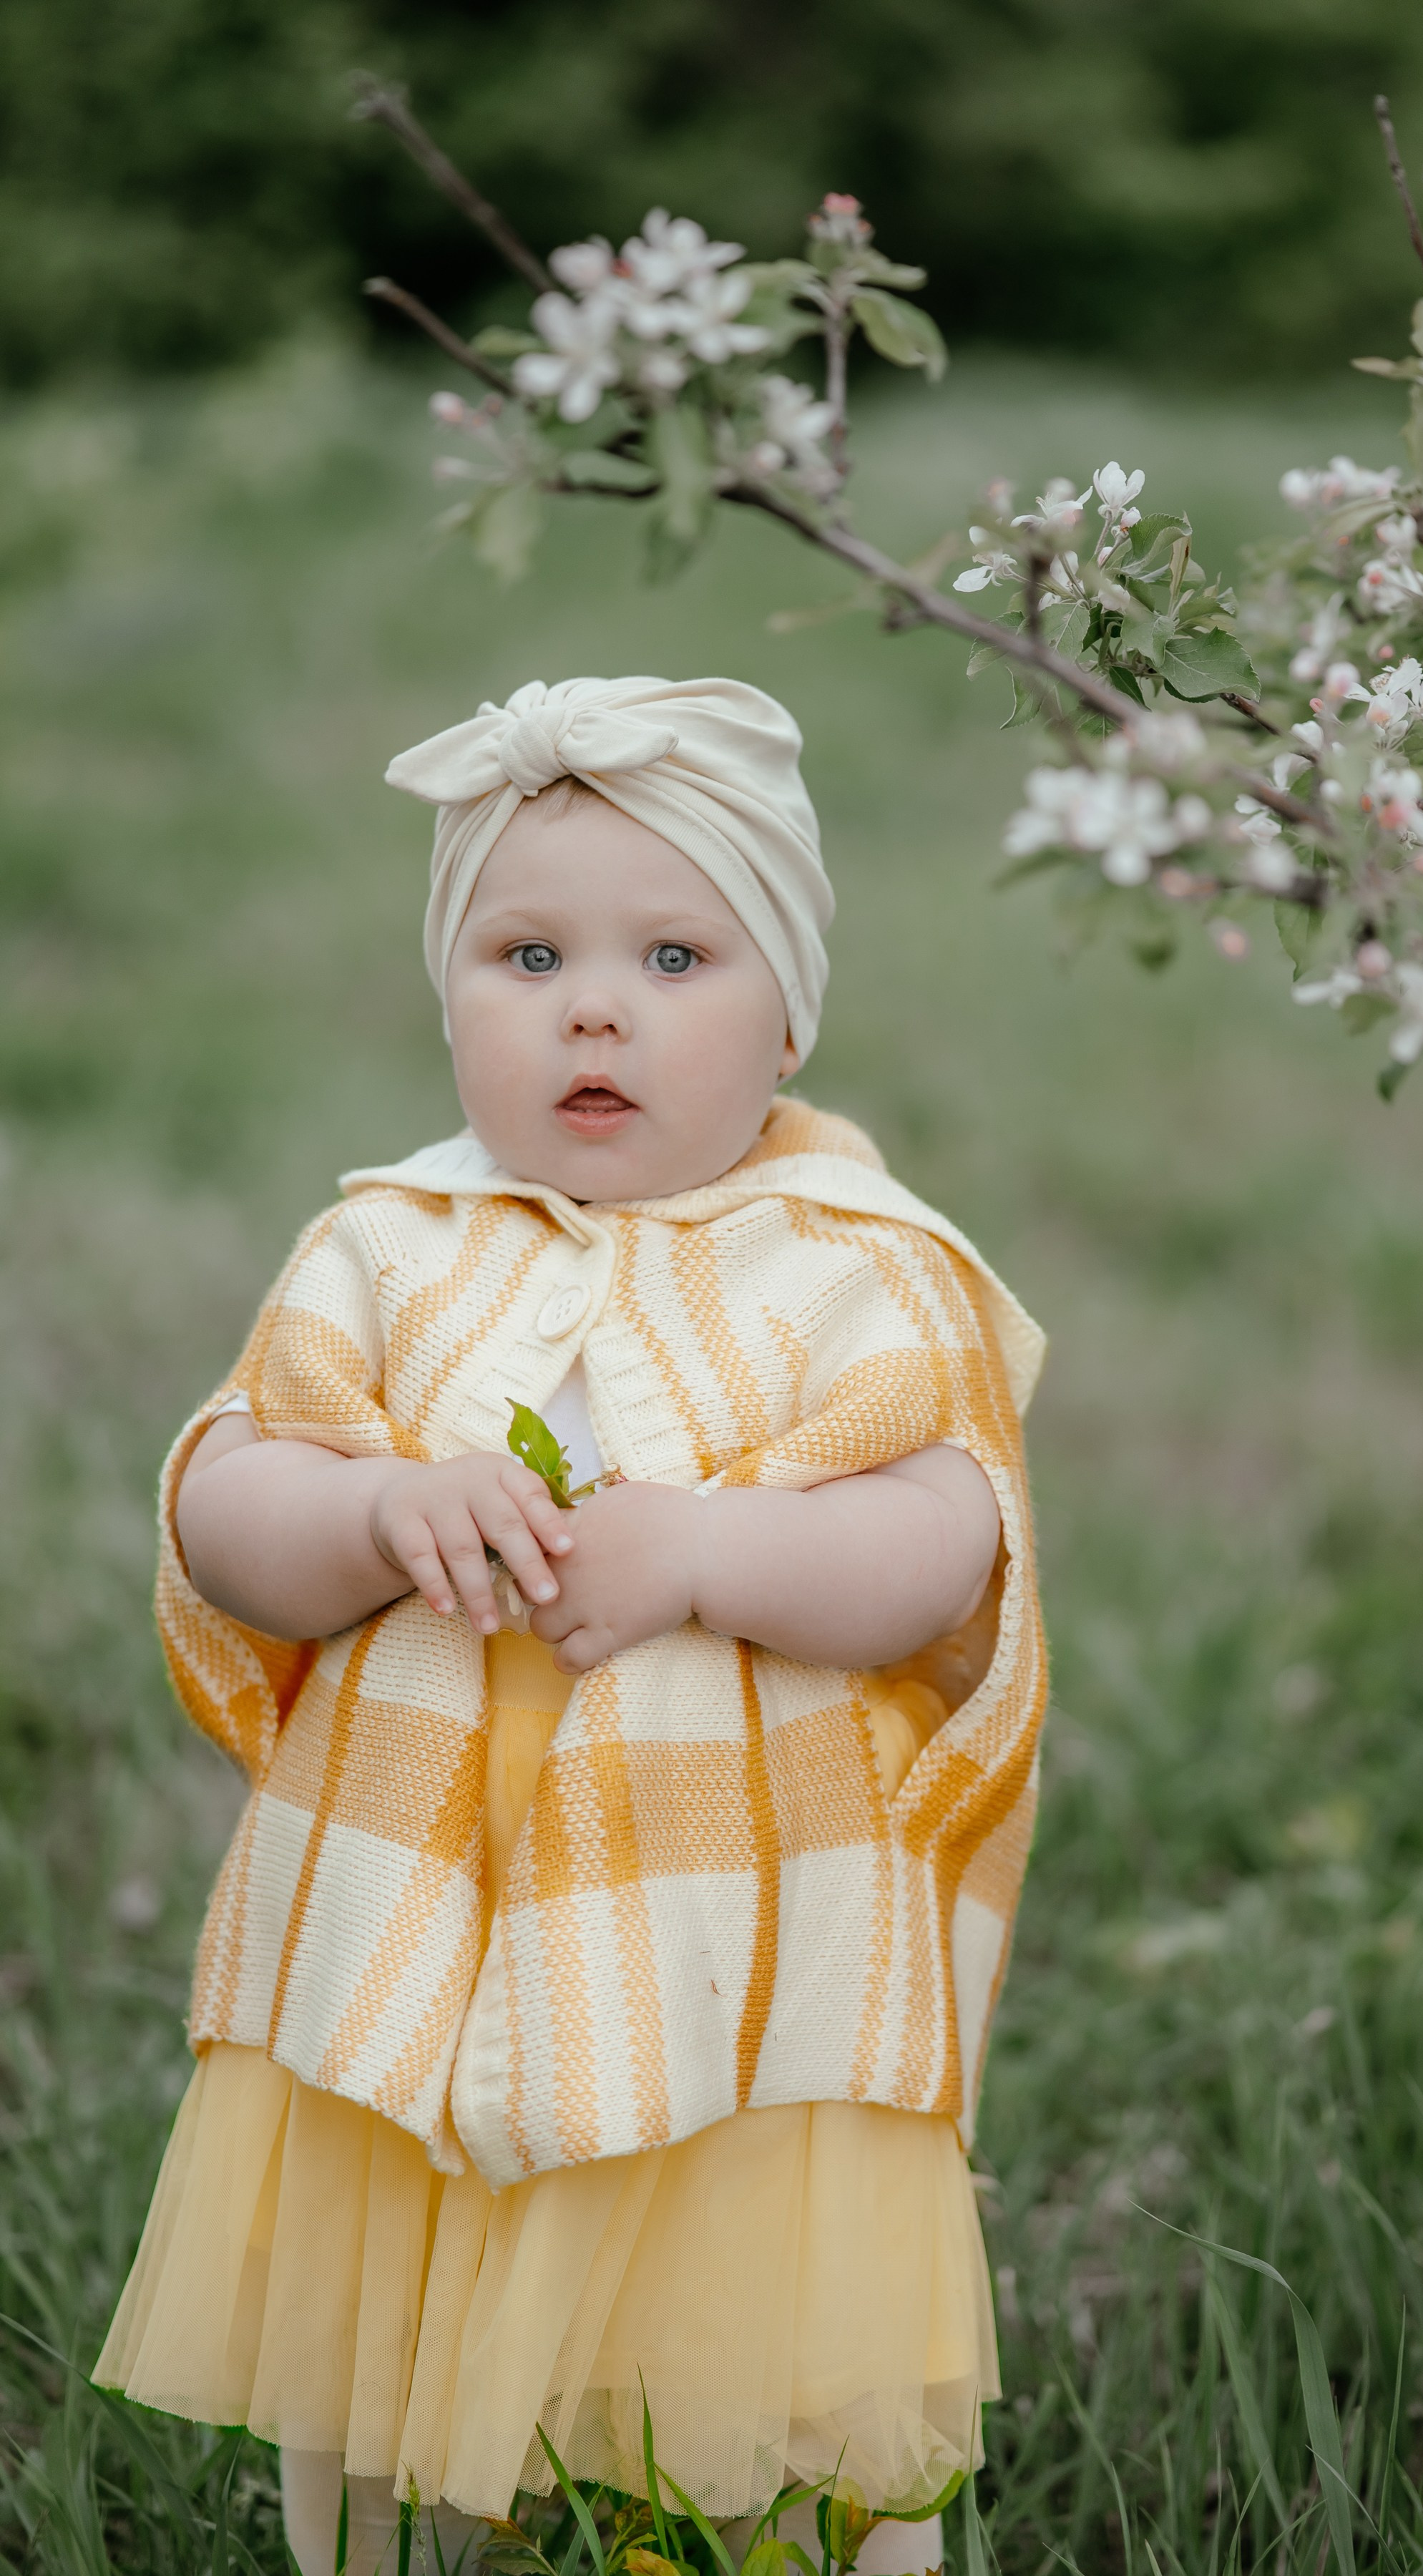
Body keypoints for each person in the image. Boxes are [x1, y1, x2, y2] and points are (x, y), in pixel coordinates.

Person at [95, 675, 1048, 2576]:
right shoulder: (387, 1246)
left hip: (735, 1958)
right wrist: (374, 1509)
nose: (593, 1005)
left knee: (737, 2391)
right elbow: (221, 1510)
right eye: (526, 954)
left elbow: (947, 1548)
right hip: (421, 1932)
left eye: (675, 955)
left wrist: (711, 1558)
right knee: (415, 2377)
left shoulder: (864, 1269)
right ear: (448, 1000)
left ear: (787, 1017)